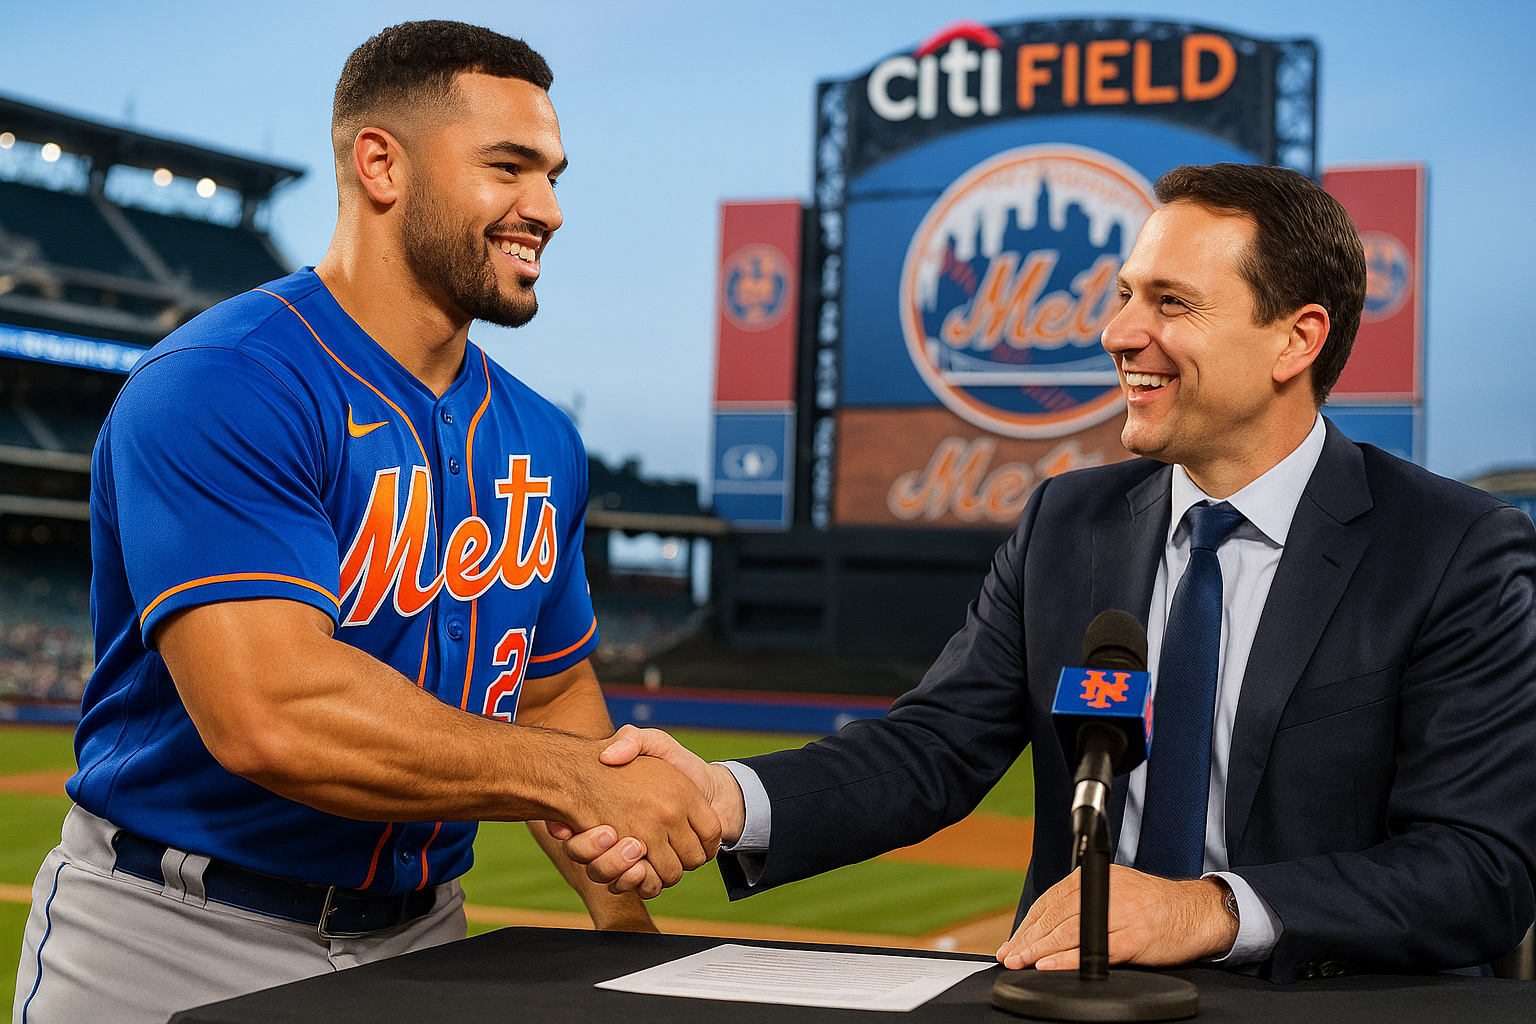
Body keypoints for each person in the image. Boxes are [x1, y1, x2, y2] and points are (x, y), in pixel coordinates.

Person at [558, 163, 1536, 982]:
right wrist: (728, 800)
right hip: (1072, 1001)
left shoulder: (1455, 548)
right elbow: (933, 748)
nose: (1117, 334)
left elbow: (1480, 867)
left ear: (1297, 339)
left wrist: (1213, 910)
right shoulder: (1069, 520)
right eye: (1123, 295)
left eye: (1171, 303)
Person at [12, 21, 720, 1024]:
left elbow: (555, 691)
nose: (548, 209)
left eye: (555, 174)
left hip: (426, 936)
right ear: (379, 163)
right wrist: (569, 782)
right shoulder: (226, 382)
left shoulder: (541, 438)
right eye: (508, 167)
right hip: (173, 933)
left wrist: (633, 934)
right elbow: (275, 714)